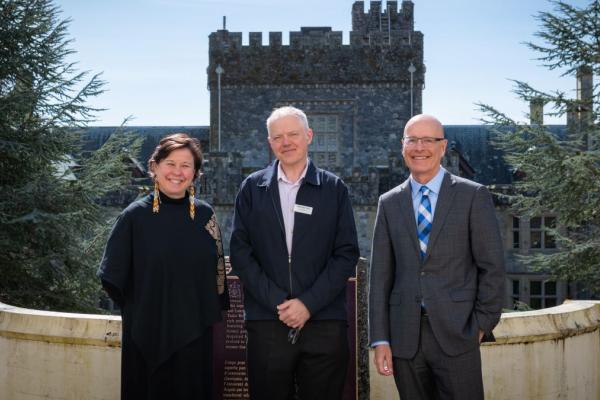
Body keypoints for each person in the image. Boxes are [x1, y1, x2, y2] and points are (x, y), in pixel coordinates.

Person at [368, 114, 506, 399]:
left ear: (442, 147)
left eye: (428, 140)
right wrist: (380, 339)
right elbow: (380, 277)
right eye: (412, 140)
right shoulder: (389, 202)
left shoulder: (472, 196)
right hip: (404, 338)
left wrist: (480, 326)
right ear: (403, 146)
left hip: (458, 335)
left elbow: (492, 267)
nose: (420, 148)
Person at [230, 106, 359, 400]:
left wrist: (308, 304)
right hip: (267, 323)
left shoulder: (333, 189)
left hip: (324, 323)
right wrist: (279, 302)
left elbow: (346, 254)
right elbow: (240, 253)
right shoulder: (252, 188)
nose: (286, 142)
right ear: (270, 142)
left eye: (293, 134)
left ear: (308, 136)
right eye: (278, 137)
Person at [97, 133, 229, 399]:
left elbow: (218, 275)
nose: (177, 172)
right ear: (154, 167)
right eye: (170, 163)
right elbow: (112, 277)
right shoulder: (134, 217)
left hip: (196, 336)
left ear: (196, 173)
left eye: (186, 165)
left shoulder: (206, 215)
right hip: (147, 338)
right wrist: (147, 312)